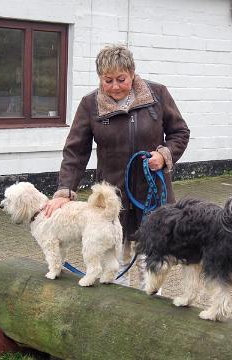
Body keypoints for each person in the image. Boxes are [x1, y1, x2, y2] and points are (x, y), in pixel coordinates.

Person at [43, 44, 190, 288]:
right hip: (111, 199)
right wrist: (66, 190)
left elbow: (180, 132)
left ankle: (150, 309)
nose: (114, 86)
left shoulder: (158, 95)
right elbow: (75, 151)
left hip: (151, 194)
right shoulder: (90, 104)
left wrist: (164, 155)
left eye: (121, 79)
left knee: (150, 261)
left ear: (132, 73)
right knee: (116, 263)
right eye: (107, 80)